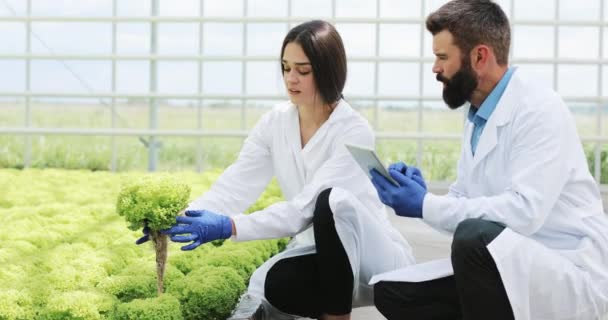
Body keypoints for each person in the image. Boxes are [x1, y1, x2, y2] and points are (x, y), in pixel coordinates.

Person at [137, 20, 414, 320]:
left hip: (373, 257)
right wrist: (180, 218)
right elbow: (237, 183)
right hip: (320, 255)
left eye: (303, 70)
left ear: (328, 70)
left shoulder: (353, 130)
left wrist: (229, 226)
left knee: (330, 203)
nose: (291, 79)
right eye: (285, 68)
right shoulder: (276, 122)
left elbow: (304, 209)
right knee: (272, 284)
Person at [369, 1, 608, 319]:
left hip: (566, 267)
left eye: (442, 57)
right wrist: (422, 193)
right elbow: (465, 201)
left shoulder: (539, 109)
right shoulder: (478, 115)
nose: (435, 68)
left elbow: (523, 213)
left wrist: (425, 204)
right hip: (510, 263)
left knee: (473, 239)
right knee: (393, 293)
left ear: (479, 57)